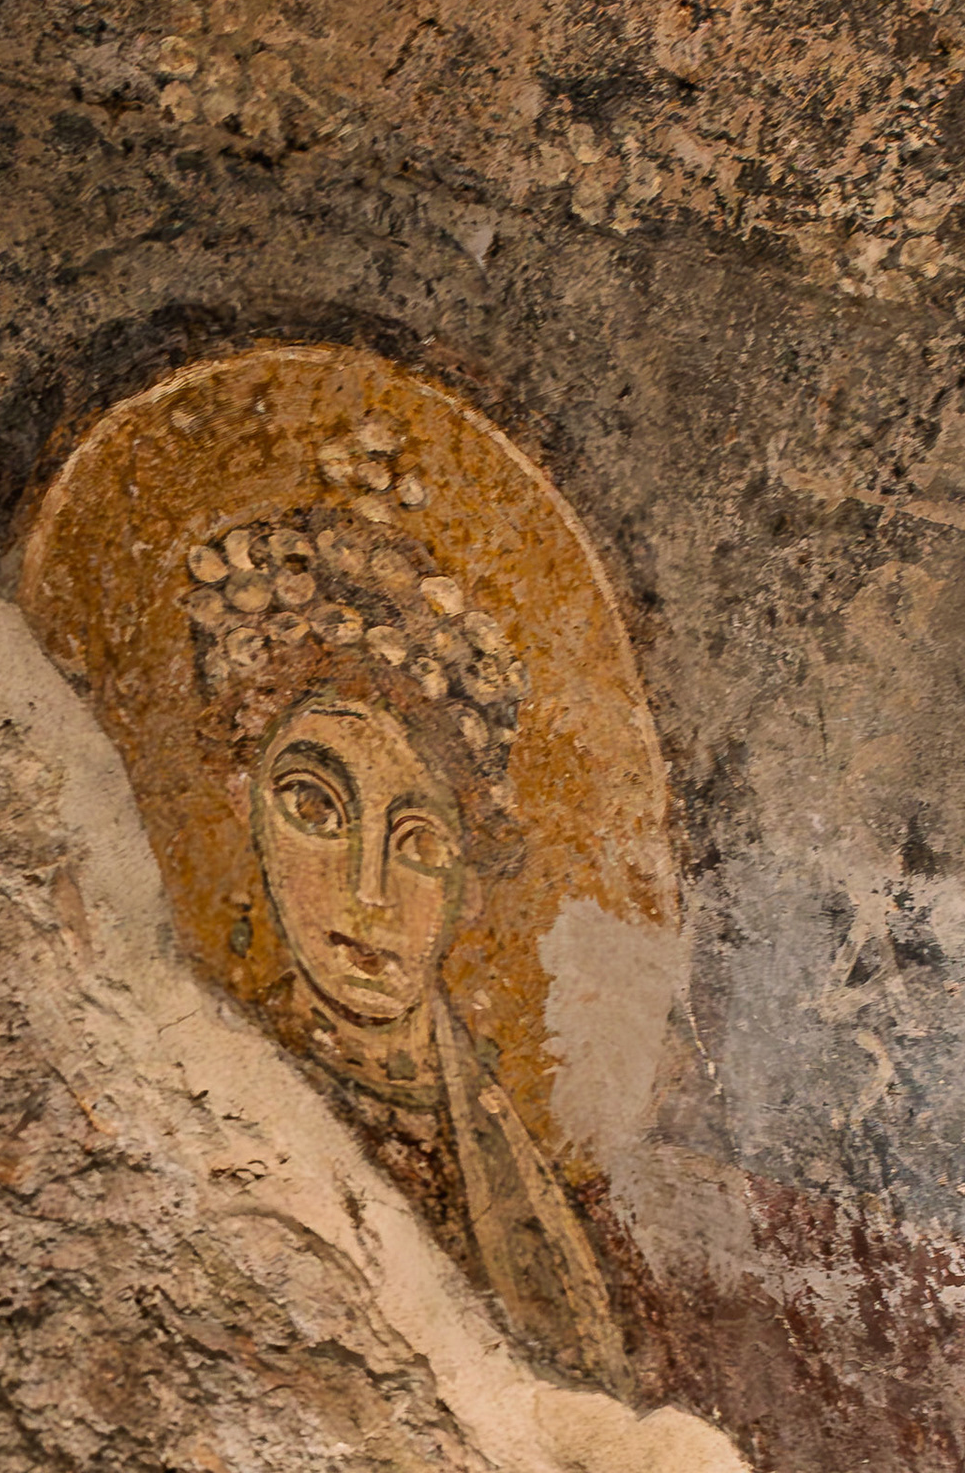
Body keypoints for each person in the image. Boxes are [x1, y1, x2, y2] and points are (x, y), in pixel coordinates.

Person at [181, 422, 631, 1393]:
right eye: (313, 806)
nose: (369, 893)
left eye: (419, 842)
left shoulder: (529, 1201)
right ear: (241, 812)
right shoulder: (200, 1102)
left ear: (471, 878)